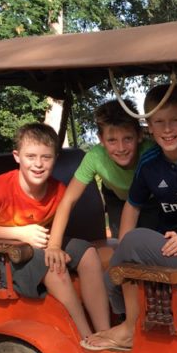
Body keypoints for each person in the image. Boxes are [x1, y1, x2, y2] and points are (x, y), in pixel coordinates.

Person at [82, 83, 177, 351]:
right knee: (123, 254)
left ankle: (128, 330)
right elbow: (132, 205)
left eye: (175, 121)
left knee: (134, 242)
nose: (167, 129)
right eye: (159, 122)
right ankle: (127, 320)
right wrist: (123, 250)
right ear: (149, 126)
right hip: (171, 250)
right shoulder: (150, 161)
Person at [0, 123, 110, 341]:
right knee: (53, 264)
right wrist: (19, 233)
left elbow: (55, 229)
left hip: (36, 244)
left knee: (88, 254)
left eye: (46, 157)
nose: (38, 164)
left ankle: (104, 333)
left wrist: (54, 246)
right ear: (17, 156)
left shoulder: (58, 191)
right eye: (31, 156)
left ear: (55, 158)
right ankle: (86, 337)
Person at [45, 99, 154, 272]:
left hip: (151, 199)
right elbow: (68, 200)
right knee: (125, 247)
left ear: (139, 135)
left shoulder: (151, 152)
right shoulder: (95, 157)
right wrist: (54, 245)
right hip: (117, 198)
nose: (121, 148)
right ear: (101, 139)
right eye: (112, 140)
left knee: (153, 243)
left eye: (127, 139)